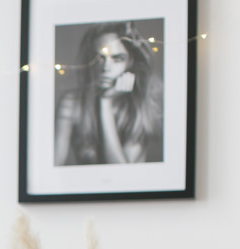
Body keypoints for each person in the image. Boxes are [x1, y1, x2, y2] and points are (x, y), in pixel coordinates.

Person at [54, 21, 163, 166]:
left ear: (130, 62)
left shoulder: (140, 105)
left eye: (117, 59)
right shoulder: (71, 103)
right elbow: (52, 168)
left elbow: (122, 174)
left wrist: (105, 101)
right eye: (99, 58)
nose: (106, 67)